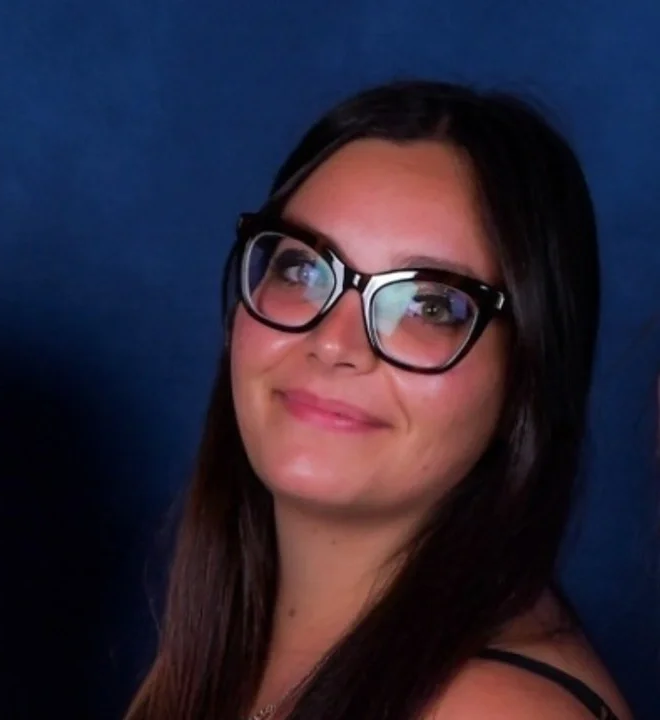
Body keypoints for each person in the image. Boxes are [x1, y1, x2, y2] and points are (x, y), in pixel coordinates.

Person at [124, 80, 632, 719]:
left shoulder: (498, 710)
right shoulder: (220, 650)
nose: (334, 342)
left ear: (526, 381)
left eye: (429, 306)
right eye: (303, 269)